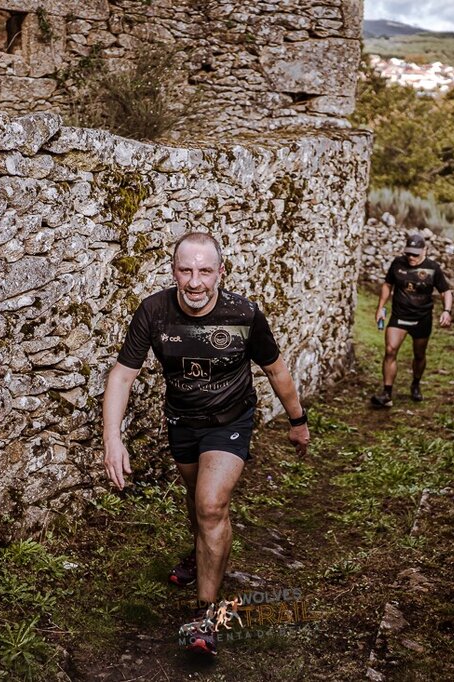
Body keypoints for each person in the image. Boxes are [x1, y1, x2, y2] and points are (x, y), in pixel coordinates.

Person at [101, 231, 310, 656]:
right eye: (186, 271)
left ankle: (205, 616)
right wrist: (112, 439)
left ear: (220, 273)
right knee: (196, 500)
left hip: (230, 422)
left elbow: (275, 370)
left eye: (205, 271)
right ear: (173, 271)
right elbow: (122, 375)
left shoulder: (244, 314)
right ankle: (199, 556)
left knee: (211, 505)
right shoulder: (154, 312)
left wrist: (298, 421)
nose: (195, 282)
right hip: (182, 423)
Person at [371, 233, 453, 407]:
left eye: (415, 254)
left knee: (419, 355)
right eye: (408, 253)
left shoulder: (433, 268)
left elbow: (445, 291)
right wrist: (380, 308)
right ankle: (387, 394)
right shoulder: (398, 263)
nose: (411, 257)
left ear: (424, 251)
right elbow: (388, 284)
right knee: (390, 350)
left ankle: (415, 384)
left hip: (422, 318)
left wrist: (447, 311)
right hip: (400, 315)